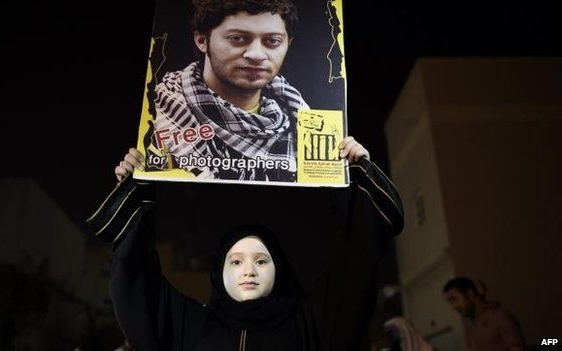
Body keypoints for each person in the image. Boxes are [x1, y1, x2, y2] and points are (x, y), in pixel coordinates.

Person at [89, 136, 403, 350]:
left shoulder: (312, 325)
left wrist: (352, 175)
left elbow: (355, 264)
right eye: (236, 261)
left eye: (261, 260)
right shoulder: (187, 326)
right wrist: (138, 189)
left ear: (280, 269)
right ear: (218, 271)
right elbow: (137, 282)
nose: (248, 270)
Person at [150, 0, 308, 181]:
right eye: (238, 38)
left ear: (288, 44)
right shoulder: (155, 114)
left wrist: (344, 164)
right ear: (202, 40)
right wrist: (133, 179)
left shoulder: (302, 120)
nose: (256, 54)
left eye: (272, 41)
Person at [442, 277, 526, 351]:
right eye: (451, 302)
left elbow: (517, 348)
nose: (454, 306)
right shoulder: (474, 326)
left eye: (455, 299)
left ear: (470, 294)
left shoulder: (499, 316)